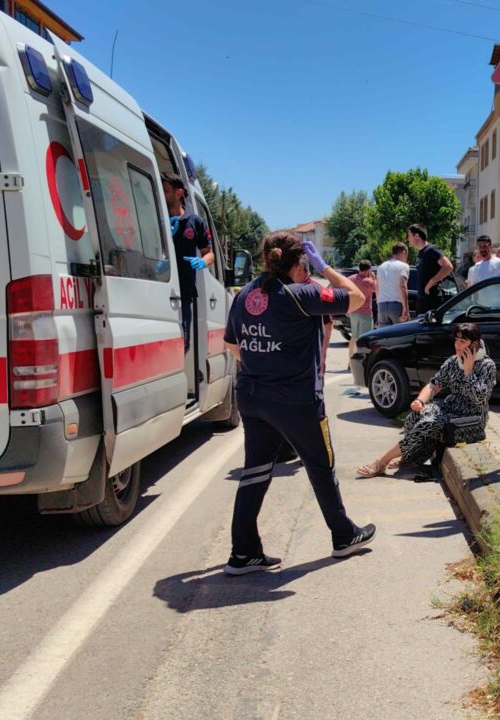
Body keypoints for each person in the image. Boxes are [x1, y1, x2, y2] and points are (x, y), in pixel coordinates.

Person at [222, 232, 376, 575]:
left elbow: (233, 346)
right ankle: (343, 535)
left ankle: (243, 552)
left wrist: (263, 363)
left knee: (256, 471)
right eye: (306, 264)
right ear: (299, 262)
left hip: (252, 395)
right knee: (320, 466)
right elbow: (355, 297)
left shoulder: (245, 294)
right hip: (296, 400)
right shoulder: (302, 294)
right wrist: (326, 267)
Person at [357, 323, 496, 478]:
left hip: (471, 420)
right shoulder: (453, 361)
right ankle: (410, 458)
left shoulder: (487, 366)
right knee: (416, 415)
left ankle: (381, 461)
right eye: (456, 340)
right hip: (450, 410)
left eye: (462, 341)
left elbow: (480, 399)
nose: (457, 345)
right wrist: (420, 401)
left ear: (474, 344)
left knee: (429, 423)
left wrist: (468, 372)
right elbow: (434, 384)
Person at [161, 172, 215, 352]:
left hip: (183, 294)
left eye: (166, 190)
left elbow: (209, 254)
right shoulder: (156, 218)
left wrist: (202, 262)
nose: (162, 193)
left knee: (182, 345)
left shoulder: (195, 221)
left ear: (179, 193)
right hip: (158, 289)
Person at [409, 224, 453, 314]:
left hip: (431, 300)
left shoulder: (431, 250)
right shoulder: (421, 253)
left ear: (417, 236)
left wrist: (431, 282)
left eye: (409, 236)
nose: (408, 238)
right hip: (422, 300)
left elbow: (448, 267)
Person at [376, 243, 411, 326]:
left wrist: (378, 306)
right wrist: (406, 309)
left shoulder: (381, 267)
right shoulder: (403, 266)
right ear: (404, 252)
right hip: (396, 305)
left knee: (384, 336)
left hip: (382, 306)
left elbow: (377, 288)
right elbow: (402, 287)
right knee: (400, 335)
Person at [348, 259, 377, 357]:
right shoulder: (369, 282)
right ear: (368, 269)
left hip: (353, 311)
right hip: (365, 313)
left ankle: (351, 360)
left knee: (354, 337)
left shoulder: (351, 279)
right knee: (364, 338)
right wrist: (374, 278)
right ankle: (362, 360)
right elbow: (377, 290)